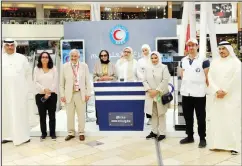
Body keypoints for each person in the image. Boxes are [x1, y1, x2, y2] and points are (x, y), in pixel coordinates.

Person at [207, 41, 241, 155]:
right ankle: (217, 144)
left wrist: (225, 91)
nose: (221, 51)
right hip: (217, 97)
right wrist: (217, 90)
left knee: (232, 121)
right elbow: (210, 77)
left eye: (223, 49)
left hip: (231, 98)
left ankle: (234, 146)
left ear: (229, 49)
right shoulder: (215, 62)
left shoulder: (236, 63)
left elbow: (236, 79)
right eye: (220, 49)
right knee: (217, 120)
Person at [179, 38, 210, 148]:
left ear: (197, 46)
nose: (191, 47)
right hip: (186, 93)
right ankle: (190, 136)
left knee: (201, 117)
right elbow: (182, 75)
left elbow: (208, 77)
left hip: (199, 94)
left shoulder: (203, 60)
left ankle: (202, 138)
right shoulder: (183, 60)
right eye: (189, 45)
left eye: (193, 45)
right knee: (188, 117)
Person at [2, 38, 31, 145]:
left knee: (20, 113)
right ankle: (6, 136)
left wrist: (27, 89)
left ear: (15, 46)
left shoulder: (22, 58)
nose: (10, 47)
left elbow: (28, 74)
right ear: (4, 46)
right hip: (4, 93)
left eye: (12, 45)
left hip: (19, 92)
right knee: (5, 112)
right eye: (8, 45)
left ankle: (23, 135)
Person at [60, 49, 91, 141]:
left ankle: (81, 132)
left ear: (79, 57)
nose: (73, 58)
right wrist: (62, 95)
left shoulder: (84, 66)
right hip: (69, 94)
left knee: (81, 115)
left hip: (80, 93)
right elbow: (61, 83)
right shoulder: (64, 67)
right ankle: (71, 133)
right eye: (72, 56)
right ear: (70, 57)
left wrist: (88, 93)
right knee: (69, 115)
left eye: (75, 56)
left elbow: (87, 81)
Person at [143, 51, 171, 141]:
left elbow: (165, 80)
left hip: (160, 94)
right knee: (153, 114)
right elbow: (144, 80)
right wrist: (149, 90)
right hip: (150, 94)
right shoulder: (147, 68)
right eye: (152, 58)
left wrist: (157, 91)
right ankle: (154, 132)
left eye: (155, 58)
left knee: (161, 113)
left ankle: (162, 133)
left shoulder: (164, 67)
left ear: (159, 58)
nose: (154, 60)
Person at [34, 52, 58, 141]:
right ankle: (43, 133)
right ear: (40, 58)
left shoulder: (54, 69)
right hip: (40, 95)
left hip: (52, 95)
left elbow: (55, 82)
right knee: (42, 115)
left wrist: (49, 91)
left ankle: (52, 133)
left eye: (46, 57)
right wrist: (44, 90)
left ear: (49, 58)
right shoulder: (36, 69)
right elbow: (35, 82)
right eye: (43, 57)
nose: (44, 58)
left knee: (52, 115)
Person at [93, 50, 117, 124]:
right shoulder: (96, 65)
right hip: (99, 87)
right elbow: (94, 76)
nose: (103, 57)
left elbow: (116, 77)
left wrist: (108, 78)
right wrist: (100, 79)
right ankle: (99, 119)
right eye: (102, 55)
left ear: (108, 56)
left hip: (110, 88)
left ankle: (109, 119)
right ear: (100, 57)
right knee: (99, 103)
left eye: (105, 55)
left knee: (109, 103)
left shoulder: (112, 65)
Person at [137, 44, 152, 125]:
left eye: (146, 50)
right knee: (147, 102)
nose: (144, 52)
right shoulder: (140, 61)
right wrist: (144, 80)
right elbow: (139, 72)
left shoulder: (153, 58)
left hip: (153, 83)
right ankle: (149, 118)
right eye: (143, 50)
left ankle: (154, 118)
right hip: (144, 84)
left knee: (153, 102)